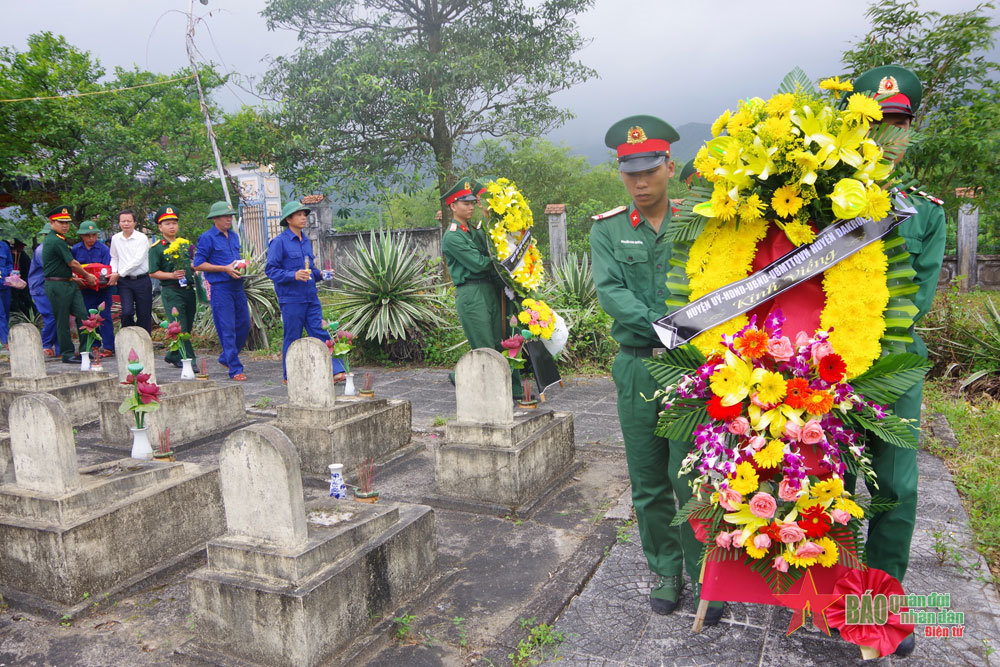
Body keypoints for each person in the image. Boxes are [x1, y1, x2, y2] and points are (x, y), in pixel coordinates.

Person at [590, 116, 723, 624]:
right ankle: (666, 571)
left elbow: (717, 283)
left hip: (693, 368)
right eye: (631, 174)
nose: (640, 183)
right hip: (639, 366)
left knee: (692, 476)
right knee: (647, 480)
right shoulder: (608, 230)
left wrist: (690, 337)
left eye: (649, 171)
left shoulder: (700, 221)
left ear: (669, 166)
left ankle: (705, 572)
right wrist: (671, 328)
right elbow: (612, 295)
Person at [845, 65, 946, 658]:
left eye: (897, 124)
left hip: (896, 367)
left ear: (909, 131)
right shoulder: (823, 203)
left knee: (896, 489)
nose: (886, 136)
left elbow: (918, 298)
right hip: (832, 368)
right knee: (830, 486)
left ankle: (876, 608)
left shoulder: (925, 212)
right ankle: (831, 598)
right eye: (873, 125)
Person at [440, 178, 523, 401]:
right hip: (472, 293)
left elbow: (493, 244)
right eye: (465, 203)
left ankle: (512, 389)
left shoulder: (474, 230)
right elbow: (479, 263)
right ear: (453, 206)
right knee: (485, 346)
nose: (470, 207)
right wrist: (504, 262)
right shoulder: (452, 236)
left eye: (472, 203)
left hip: (490, 289)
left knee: (504, 340)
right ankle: (464, 379)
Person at [265, 200, 346, 383]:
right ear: (289, 219)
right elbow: (270, 270)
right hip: (291, 299)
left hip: (310, 296)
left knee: (321, 332)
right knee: (292, 336)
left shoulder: (306, 241)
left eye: (304, 215)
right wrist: (293, 275)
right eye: (299, 215)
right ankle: (288, 376)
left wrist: (322, 274)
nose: (304, 218)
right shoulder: (279, 242)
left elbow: (311, 270)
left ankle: (335, 371)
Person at [193, 201, 250, 381]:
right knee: (227, 328)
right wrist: (224, 269)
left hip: (237, 285)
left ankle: (226, 357)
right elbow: (198, 264)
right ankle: (235, 368)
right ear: (215, 218)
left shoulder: (233, 236)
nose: (229, 219)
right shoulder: (207, 238)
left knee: (244, 324)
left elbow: (235, 260)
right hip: (221, 288)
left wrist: (244, 266)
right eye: (225, 216)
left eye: (230, 216)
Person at [41, 205, 98, 362]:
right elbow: (72, 262)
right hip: (57, 285)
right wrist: (87, 275)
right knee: (62, 320)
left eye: (67, 223)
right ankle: (67, 353)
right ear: (52, 223)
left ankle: (85, 350)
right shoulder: (54, 240)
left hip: (69, 282)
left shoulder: (60, 239)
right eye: (61, 222)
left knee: (82, 315)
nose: (65, 226)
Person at [148, 205, 198, 368]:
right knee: (180, 326)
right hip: (172, 291)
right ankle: (189, 361)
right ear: (160, 227)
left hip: (188, 290)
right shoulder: (157, 248)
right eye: (167, 223)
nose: (171, 226)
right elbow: (153, 272)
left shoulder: (184, 244)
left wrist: (195, 268)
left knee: (187, 326)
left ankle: (173, 355)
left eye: (174, 223)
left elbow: (192, 263)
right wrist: (171, 275)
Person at [70, 220, 115, 358]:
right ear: (82, 236)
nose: (91, 238)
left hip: (103, 289)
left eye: (94, 235)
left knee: (105, 316)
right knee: (89, 317)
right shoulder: (75, 249)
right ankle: (93, 345)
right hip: (85, 289)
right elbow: (72, 267)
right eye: (87, 235)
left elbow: (108, 268)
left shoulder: (104, 249)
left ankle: (108, 347)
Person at [109, 209, 152, 332]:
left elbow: (138, 260)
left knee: (144, 314)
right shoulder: (115, 238)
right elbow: (114, 257)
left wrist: (119, 273)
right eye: (123, 221)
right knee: (126, 312)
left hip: (141, 280)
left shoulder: (141, 238)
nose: (126, 224)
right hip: (124, 282)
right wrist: (113, 271)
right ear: (119, 223)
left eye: (129, 221)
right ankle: (128, 337)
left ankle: (143, 339)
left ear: (134, 223)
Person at [28, 224, 58, 355]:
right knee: (51, 315)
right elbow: (51, 269)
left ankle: (60, 348)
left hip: (52, 287)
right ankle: (45, 344)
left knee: (59, 315)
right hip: (40, 288)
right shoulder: (42, 250)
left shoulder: (56, 248)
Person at [0, 240, 11, 348]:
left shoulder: (3, 246)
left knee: (6, 312)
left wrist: (10, 272)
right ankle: (5, 341)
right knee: (1, 314)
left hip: (5, 284)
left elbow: (9, 263)